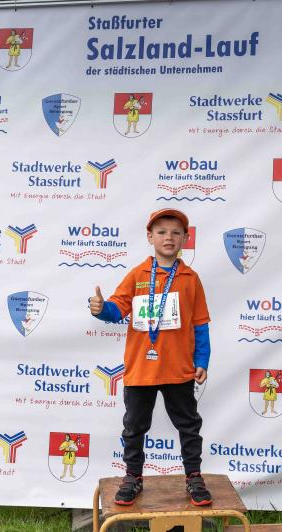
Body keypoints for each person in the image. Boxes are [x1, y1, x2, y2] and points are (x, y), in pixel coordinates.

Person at [90, 208, 212, 506]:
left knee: (189, 425)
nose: (169, 237)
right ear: (150, 237)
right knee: (134, 427)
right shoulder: (138, 274)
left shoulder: (191, 278)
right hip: (141, 369)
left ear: (185, 238)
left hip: (179, 369)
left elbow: (200, 324)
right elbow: (117, 309)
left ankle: (194, 476)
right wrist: (101, 309)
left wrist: (202, 360)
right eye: (161, 232)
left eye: (176, 232)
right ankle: (133, 477)